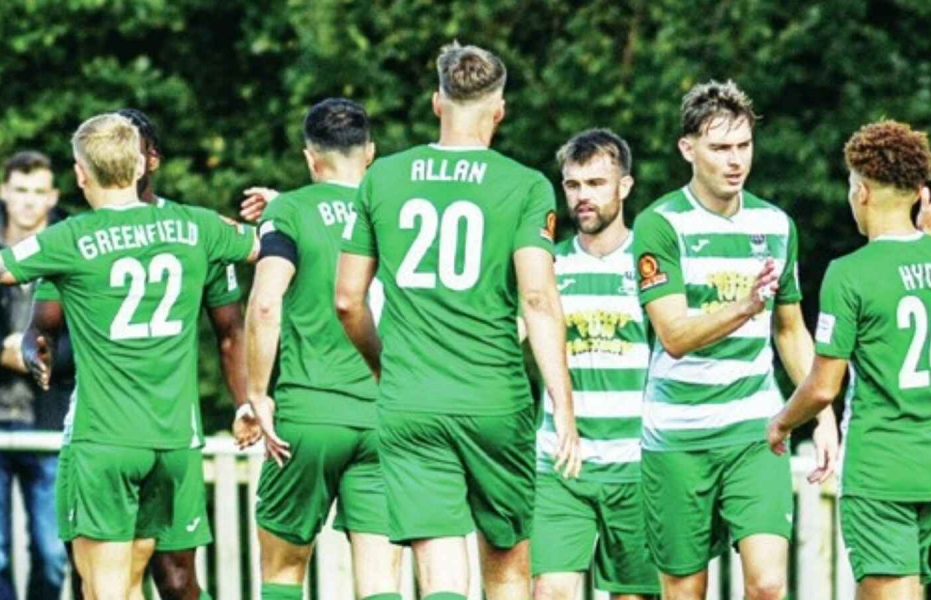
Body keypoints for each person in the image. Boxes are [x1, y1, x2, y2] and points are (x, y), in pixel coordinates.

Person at [334, 42, 581, 600]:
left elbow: (349, 300)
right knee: (509, 564)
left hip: (412, 400)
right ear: (499, 110)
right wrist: (564, 403)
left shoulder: (384, 178)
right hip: (495, 400)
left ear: (436, 103)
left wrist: (385, 366)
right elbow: (539, 300)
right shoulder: (524, 185)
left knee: (440, 571)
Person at [0, 113, 258, 598]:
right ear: (141, 164)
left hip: (105, 437)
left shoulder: (71, 238)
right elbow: (269, 246)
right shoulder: (197, 226)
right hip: (176, 442)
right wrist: (288, 209)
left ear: (80, 174)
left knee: (105, 588)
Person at [633, 79, 839, 600]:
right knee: (685, 591)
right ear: (688, 149)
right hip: (677, 435)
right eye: (720, 148)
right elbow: (675, 335)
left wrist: (824, 416)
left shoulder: (775, 224)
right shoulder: (660, 225)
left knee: (768, 585)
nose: (735, 160)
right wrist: (744, 305)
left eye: (743, 146)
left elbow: (790, 330)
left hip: (756, 428)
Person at [767, 120, 931, 600]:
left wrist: (780, 424)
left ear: (862, 193)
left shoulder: (848, 274)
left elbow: (822, 386)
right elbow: (916, 270)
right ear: (918, 192)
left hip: (881, 469)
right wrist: (926, 231)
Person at [245, 97, 401, 600]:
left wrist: (256, 395)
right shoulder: (398, 211)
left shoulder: (289, 209)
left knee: (284, 572)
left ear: (311, 158)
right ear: (371, 153)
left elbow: (266, 303)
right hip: (386, 413)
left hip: (310, 410)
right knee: (381, 582)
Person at [531, 129, 658, 600]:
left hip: (639, 465)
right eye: (573, 185)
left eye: (596, 183)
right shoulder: (547, 266)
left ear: (624, 187)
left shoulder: (652, 264)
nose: (583, 196)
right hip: (562, 465)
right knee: (551, 591)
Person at [0, 151, 68, 599]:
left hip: (51, 420)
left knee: (51, 552)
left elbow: (91, 339)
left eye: (38, 192)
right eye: (20, 190)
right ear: (4, 192)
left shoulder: (72, 248)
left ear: (53, 197)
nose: (27, 202)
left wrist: (31, 357)